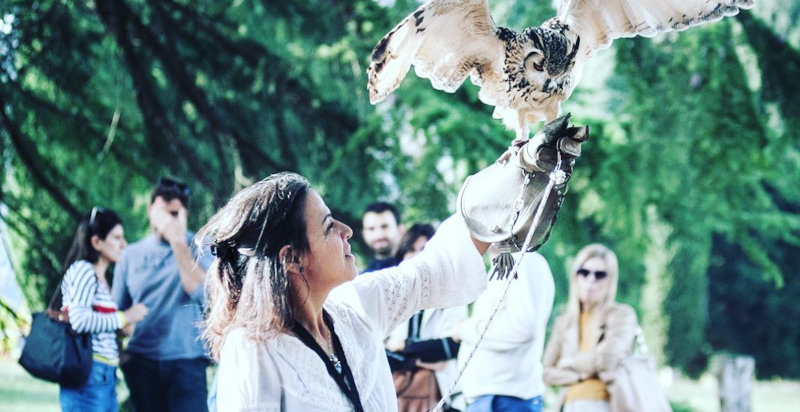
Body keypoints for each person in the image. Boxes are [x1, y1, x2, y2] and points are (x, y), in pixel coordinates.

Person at [201, 172, 490, 411]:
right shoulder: (253, 347)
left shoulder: (356, 307)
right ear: (292, 259)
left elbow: (436, 268)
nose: (346, 230)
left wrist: (520, 174)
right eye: (328, 227)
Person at [112, 177, 213, 412]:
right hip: (142, 364)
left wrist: (178, 240)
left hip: (187, 364)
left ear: (185, 214)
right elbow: (116, 314)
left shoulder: (203, 247)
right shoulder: (130, 255)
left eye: (174, 214)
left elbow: (204, 294)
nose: (167, 221)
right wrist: (122, 357)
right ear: (150, 211)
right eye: (162, 213)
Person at [59, 207, 149, 412]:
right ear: (96, 242)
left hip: (103, 375)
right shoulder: (83, 270)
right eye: (117, 238)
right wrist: (124, 317)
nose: (123, 244)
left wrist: (121, 328)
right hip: (88, 375)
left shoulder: (100, 280)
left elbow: (95, 321)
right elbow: (79, 320)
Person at [456, 248, 555, 412]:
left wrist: (465, 329)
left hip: (504, 400)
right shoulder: (506, 263)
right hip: (493, 399)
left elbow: (521, 328)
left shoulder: (522, 260)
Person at [542, 244, 638, 412]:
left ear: (610, 280)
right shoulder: (564, 322)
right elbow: (547, 372)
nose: (590, 280)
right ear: (575, 276)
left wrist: (571, 362)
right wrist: (579, 376)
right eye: (584, 272)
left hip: (606, 403)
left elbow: (607, 360)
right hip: (569, 404)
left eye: (599, 275)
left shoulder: (621, 315)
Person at [385, 223, 467, 411]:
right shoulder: (393, 298)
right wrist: (423, 357)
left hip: (445, 397)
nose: (415, 256)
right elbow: (384, 353)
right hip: (401, 397)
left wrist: (404, 346)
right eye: (410, 250)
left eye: (423, 250)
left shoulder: (453, 297)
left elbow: (450, 349)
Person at [361, 201, 404, 273]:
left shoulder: (413, 268)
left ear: (400, 230)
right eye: (371, 229)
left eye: (384, 227)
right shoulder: (363, 279)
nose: (379, 235)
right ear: (364, 234)